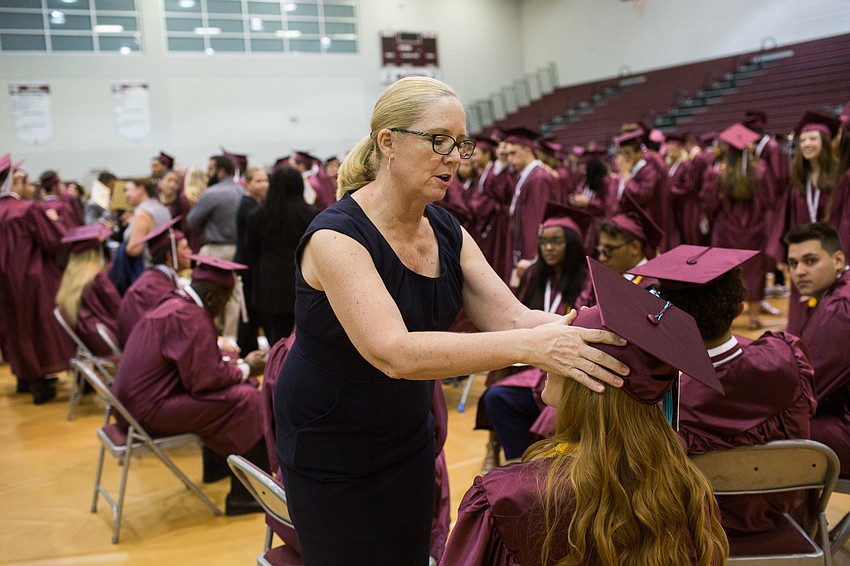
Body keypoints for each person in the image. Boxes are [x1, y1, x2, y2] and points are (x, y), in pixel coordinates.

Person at [274, 76, 630, 565]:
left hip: (405, 437)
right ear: (388, 142)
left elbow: (514, 317)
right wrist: (533, 348)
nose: (456, 158)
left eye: (461, 144)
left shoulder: (445, 228)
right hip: (332, 447)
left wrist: (599, 331)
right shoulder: (336, 237)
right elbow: (393, 352)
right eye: (439, 140)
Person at [443, 258, 729, 566]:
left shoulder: (508, 499)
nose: (545, 354)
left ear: (587, 376)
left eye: (561, 346)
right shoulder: (686, 487)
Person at [630, 245, 817, 542]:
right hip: (777, 516)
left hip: (688, 530)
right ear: (739, 309)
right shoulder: (785, 362)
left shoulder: (661, 398)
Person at [111, 254, 269, 516]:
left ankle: (217, 468)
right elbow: (204, 381)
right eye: (225, 303)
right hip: (148, 412)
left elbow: (195, 365)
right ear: (211, 299)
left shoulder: (173, 303)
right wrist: (247, 368)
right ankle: (246, 496)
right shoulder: (191, 317)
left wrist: (238, 366)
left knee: (238, 389)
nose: (222, 311)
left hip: (131, 407)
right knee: (247, 400)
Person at [477, 202, 593, 468]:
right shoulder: (533, 276)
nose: (548, 248)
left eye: (556, 242)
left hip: (558, 364)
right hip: (526, 361)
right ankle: (511, 458)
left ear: (572, 245)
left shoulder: (586, 282)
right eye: (543, 242)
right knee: (496, 389)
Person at [0, 160, 75, 403]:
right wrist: (54, 221)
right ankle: (40, 385)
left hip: (6, 281)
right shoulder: (26, 209)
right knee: (41, 327)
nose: (32, 187)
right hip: (33, 278)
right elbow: (54, 241)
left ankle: (25, 377)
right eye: (27, 181)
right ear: (16, 182)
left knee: (16, 328)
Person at [785, 222, 850, 475]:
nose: (799, 271)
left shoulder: (840, 308)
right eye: (793, 263)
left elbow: (808, 387)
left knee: (758, 436)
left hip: (844, 427)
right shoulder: (838, 293)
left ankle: (790, 515)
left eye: (810, 261)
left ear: (837, 260)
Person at [700, 123, 774, 329]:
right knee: (754, 271)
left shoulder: (718, 172)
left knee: (726, 272)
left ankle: (727, 315)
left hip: (726, 229)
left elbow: (709, 204)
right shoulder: (760, 169)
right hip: (754, 228)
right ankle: (754, 316)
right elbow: (768, 200)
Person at [243, 165, 318, 349]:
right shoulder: (312, 215)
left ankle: (275, 373)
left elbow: (249, 253)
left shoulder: (257, 216)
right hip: (304, 281)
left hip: (268, 284)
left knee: (276, 338)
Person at [187, 154, 244, 339]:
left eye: (210, 169)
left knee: (206, 293)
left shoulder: (212, 193)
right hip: (237, 249)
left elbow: (192, 221)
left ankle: (207, 337)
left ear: (220, 171)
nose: (207, 173)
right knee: (234, 297)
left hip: (215, 250)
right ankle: (230, 340)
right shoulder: (242, 191)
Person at [116, 216, 192, 348]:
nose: (190, 252)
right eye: (185, 248)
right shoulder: (153, 287)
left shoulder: (157, 278)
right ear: (170, 255)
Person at [55, 224, 122, 357]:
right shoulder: (96, 278)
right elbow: (118, 309)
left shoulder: (70, 277)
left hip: (87, 339)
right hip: (104, 339)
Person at [234, 167, 269, 355]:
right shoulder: (249, 207)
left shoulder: (255, 204)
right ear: (247, 183)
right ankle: (247, 350)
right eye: (258, 181)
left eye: (265, 180)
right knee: (248, 310)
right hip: (247, 266)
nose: (264, 185)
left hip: (250, 265)